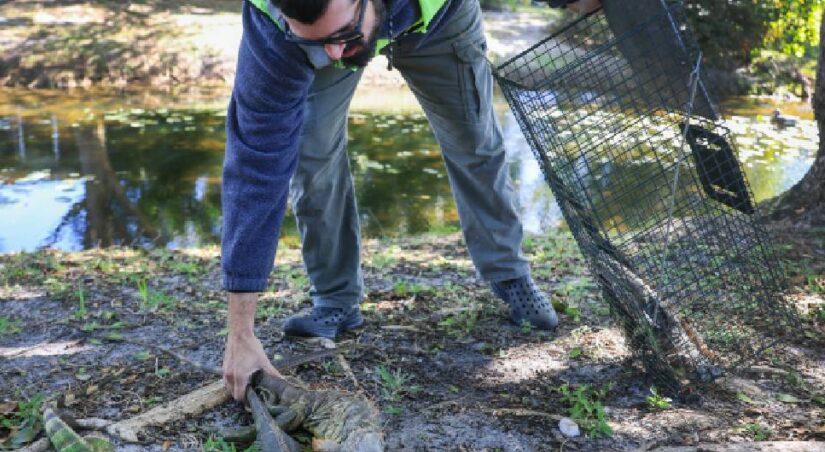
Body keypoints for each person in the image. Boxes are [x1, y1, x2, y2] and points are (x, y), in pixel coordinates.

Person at [221, 0, 601, 401]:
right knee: (309, 150)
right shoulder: (273, 26)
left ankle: (510, 274)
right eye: (317, 43)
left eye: (342, 37)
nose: (334, 53)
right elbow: (255, 167)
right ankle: (335, 300)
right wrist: (240, 332)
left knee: (474, 139)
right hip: (335, 23)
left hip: (440, 18)